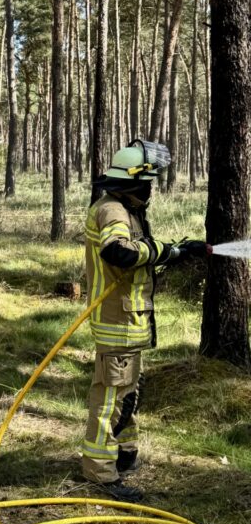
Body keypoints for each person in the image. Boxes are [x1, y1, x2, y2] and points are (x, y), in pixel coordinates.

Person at [83, 139, 210, 501]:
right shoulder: (113, 211)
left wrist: (178, 251)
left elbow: (138, 252)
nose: (150, 189)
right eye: (147, 183)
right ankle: (100, 474)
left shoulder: (126, 208)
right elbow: (118, 252)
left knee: (126, 395)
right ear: (132, 182)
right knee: (109, 401)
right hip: (117, 323)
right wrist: (163, 251)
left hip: (129, 322)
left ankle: (124, 456)